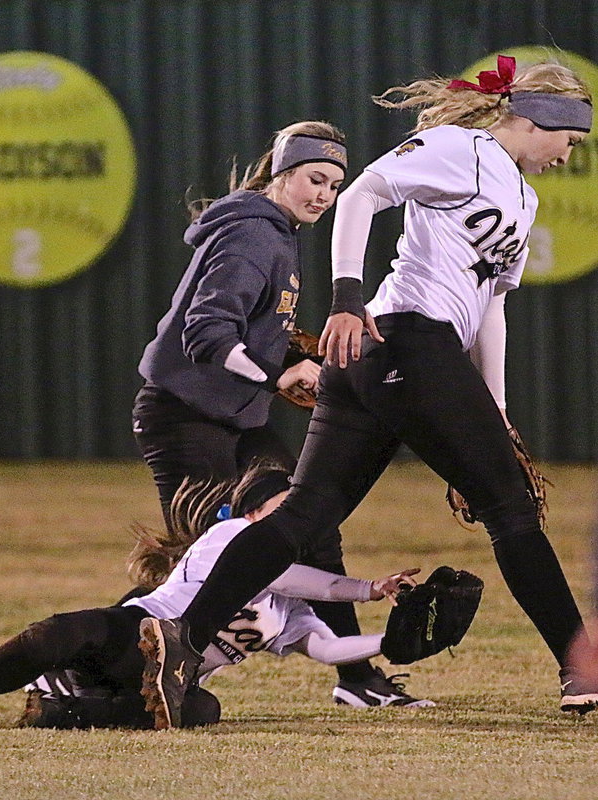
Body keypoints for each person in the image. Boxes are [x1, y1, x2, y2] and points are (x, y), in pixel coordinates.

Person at [137, 54, 598, 728]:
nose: (569, 154)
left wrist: (496, 408)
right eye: (571, 139)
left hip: (385, 360)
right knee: (511, 508)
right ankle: (581, 669)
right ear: (538, 120)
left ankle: (183, 640)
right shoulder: (461, 147)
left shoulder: (521, 198)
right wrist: (346, 300)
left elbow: (491, 306)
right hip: (404, 339)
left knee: (302, 519)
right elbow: (362, 196)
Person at [131, 120, 429, 707]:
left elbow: (251, 327)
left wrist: (294, 354)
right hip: (183, 418)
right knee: (212, 558)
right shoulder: (253, 234)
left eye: (334, 186)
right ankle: (111, 663)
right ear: (281, 173)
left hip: (238, 419)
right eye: (315, 179)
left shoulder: (276, 231)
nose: (325, 195)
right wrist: (276, 375)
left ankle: (357, 679)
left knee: (308, 522)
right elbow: (207, 332)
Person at [0, 462, 421, 729]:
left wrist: (392, 641)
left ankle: (68, 711)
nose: (296, 520)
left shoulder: (291, 608)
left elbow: (327, 649)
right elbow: (311, 581)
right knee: (59, 631)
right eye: (285, 508)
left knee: (204, 710)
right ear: (254, 512)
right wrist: (369, 589)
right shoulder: (231, 536)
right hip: (137, 636)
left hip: (168, 681)